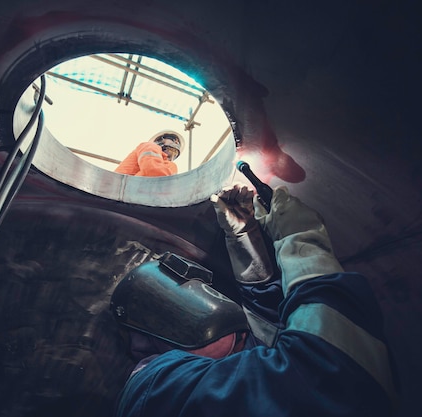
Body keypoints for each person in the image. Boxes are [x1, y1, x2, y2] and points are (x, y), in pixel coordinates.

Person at [110, 183, 400, 417]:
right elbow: (332, 373)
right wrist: (300, 241)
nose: (212, 300)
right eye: (190, 295)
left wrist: (245, 238)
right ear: (162, 328)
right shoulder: (156, 391)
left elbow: (268, 339)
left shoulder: (207, 373)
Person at [114, 130, 185, 177]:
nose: (176, 143)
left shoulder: (167, 164)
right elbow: (153, 170)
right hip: (120, 190)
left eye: (177, 143)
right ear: (161, 140)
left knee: (171, 166)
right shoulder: (150, 146)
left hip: (130, 191)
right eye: (173, 140)